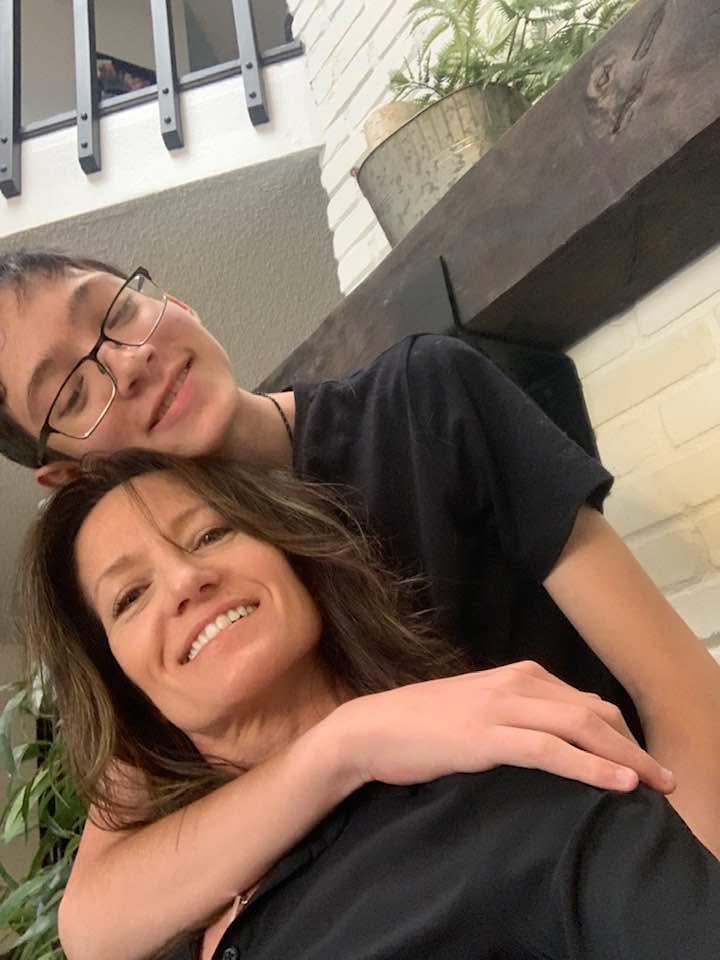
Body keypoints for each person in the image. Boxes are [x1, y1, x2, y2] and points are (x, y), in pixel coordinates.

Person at [2, 252, 719, 960]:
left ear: (177, 302)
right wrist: (346, 747)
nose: (127, 364)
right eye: (71, 394)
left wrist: (662, 899)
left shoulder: (424, 404)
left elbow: (682, 695)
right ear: (69, 475)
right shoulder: (183, 630)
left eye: (118, 310)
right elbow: (97, 919)